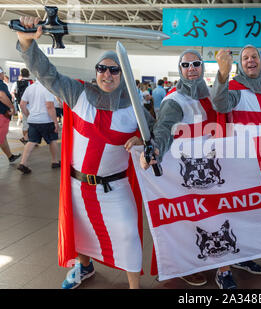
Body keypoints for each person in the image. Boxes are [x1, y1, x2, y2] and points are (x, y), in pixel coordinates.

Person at [16, 16, 156, 289]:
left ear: (123, 74)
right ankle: (84, 267)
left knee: (128, 235)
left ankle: (134, 287)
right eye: (102, 68)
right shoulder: (79, 93)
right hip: (78, 185)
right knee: (79, 233)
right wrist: (26, 41)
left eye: (115, 70)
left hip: (116, 187)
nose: (108, 74)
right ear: (96, 71)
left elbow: (156, 136)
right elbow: (46, 73)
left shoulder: (134, 108)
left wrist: (143, 138)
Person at [140, 49, 216, 287]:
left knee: (203, 219)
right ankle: (181, 266)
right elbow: (163, 130)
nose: (191, 68)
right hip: (185, 173)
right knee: (183, 221)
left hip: (209, 171)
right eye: (186, 65)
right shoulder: (174, 100)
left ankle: (198, 258)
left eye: (196, 63)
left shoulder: (208, 94)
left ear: (202, 67)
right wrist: (156, 150)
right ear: (180, 69)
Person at [209, 45, 261, 289]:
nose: (250, 61)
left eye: (254, 56)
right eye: (245, 58)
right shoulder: (235, 88)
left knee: (248, 214)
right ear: (240, 64)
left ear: (260, 61)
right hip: (235, 163)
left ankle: (242, 258)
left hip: (259, 165)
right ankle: (223, 270)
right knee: (228, 216)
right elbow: (220, 104)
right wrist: (222, 75)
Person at [16, 80, 60, 174]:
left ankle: (23, 163)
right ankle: (55, 161)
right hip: (46, 120)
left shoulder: (30, 88)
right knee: (52, 140)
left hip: (33, 120)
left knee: (31, 141)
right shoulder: (47, 88)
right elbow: (49, 106)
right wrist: (55, 122)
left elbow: (22, 104)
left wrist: (29, 115)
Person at [0, 66, 21, 163]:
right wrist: (12, 107)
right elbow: (1, 96)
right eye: (3, 72)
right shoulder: (1, 84)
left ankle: (10, 156)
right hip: (1, 115)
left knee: (2, 137)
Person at [11, 68, 33, 144]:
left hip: (22, 104)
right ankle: (32, 139)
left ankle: (26, 140)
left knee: (25, 122)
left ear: (21, 74)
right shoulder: (32, 82)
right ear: (29, 74)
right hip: (32, 105)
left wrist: (17, 100)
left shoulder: (16, 83)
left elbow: (13, 93)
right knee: (32, 122)